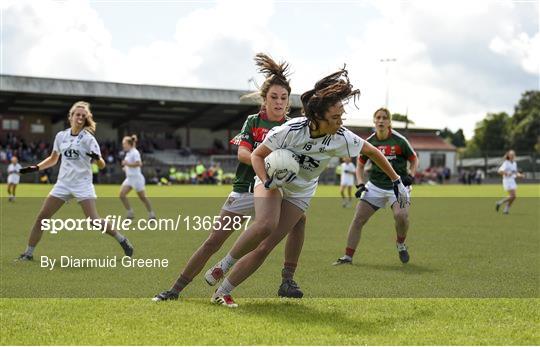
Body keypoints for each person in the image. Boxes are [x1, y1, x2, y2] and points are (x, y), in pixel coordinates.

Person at [208, 67, 410, 307]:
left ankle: (222, 292)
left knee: (266, 246)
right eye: (336, 118)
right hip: (272, 181)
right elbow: (257, 156)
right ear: (318, 118)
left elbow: (372, 151)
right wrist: (267, 180)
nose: (341, 122)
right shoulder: (291, 130)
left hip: (300, 192)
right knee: (265, 226)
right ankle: (224, 264)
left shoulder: (340, 137)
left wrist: (397, 181)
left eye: (341, 116)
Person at [153, 53, 306, 302]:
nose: (278, 102)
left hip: (272, 189)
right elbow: (243, 153)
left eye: (283, 98)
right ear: (264, 99)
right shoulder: (253, 122)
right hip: (246, 188)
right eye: (273, 97)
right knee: (213, 241)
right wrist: (266, 162)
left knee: (300, 220)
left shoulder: (292, 128)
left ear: (288, 102)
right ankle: (175, 290)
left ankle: (287, 280)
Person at [16, 101, 134, 261]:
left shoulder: (88, 139)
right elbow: (53, 159)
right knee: (42, 218)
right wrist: (36, 167)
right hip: (63, 184)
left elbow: (102, 163)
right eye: (77, 114)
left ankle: (121, 239)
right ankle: (28, 254)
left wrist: (97, 159)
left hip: (82, 184)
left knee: (94, 221)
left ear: (86, 119)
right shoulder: (61, 136)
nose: (80, 117)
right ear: (71, 116)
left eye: (83, 116)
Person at [334, 107, 418, 266]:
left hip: (398, 186)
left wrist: (411, 176)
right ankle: (347, 257)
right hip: (375, 186)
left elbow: (414, 159)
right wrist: (360, 183)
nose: (381, 120)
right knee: (358, 219)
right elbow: (359, 166)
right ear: (374, 121)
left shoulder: (399, 141)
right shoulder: (370, 142)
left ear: (389, 122)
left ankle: (400, 244)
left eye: (384, 118)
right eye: (378, 117)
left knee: (401, 216)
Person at [119, 134, 156, 220]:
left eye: (124, 144)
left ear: (129, 144)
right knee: (121, 195)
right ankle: (130, 213)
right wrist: (125, 168)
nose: (123, 145)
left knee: (143, 198)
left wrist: (127, 164)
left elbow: (139, 163)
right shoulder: (129, 153)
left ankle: (151, 214)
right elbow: (130, 164)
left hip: (136, 179)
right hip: (129, 178)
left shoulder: (135, 152)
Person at [495, 150, 523, 214]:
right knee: (512, 195)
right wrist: (507, 173)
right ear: (509, 156)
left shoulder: (514, 163)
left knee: (514, 197)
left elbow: (515, 172)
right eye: (511, 155)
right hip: (507, 181)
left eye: (513, 155)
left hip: (512, 180)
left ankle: (505, 209)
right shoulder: (506, 163)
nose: (512, 156)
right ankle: (500, 203)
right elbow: (499, 171)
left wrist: (520, 175)